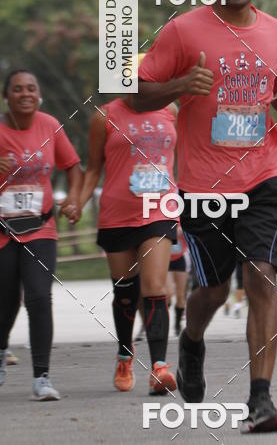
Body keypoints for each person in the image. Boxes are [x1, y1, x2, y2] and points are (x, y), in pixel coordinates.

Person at [133, 0, 277, 433]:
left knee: (261, 276)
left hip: (265, 176)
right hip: (206, 184)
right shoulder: (183, 31)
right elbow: (137, 94)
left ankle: (261, 400)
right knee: (212, 288)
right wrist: (180, 87)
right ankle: (191, 342)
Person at [79, 62, 178, 395]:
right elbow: (93, 169)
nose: (138, 85)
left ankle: (160, 367)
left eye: (145, 80)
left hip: (160, 209)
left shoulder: (171, 110)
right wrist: (77, 201)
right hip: (118, 213)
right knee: (125, 292)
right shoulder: (104, 117)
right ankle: (125, 353)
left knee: (154, 285)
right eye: (132, 80)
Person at [0, 70, 82, 400]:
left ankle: (42, 378)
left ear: (39, 95)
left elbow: (74, 167)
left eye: (31, 88)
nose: (25, 94)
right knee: (5, 303)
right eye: (17, 89)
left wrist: (74, 199)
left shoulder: (49, 125)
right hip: (2, 230)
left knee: (38, 296)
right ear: (6, 96)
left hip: (41, 227)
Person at [167, 223, 189, 336]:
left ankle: (177, 323)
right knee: (168, 293)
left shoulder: (181, 218)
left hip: (180, 259)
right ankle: (164, 322)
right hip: (165, 260)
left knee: (181, 296)